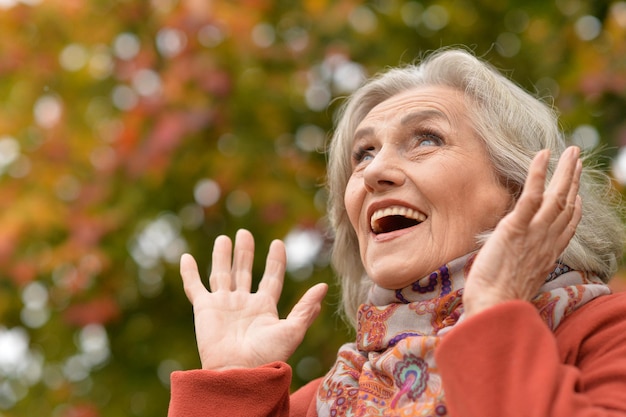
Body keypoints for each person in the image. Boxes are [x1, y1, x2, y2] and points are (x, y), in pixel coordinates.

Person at [167, 48, 626, 417]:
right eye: (363, 153)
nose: (375, 171)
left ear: (518, 189)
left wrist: (494, 314)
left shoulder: (607, 334)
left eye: (427, 138)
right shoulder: (311, 404)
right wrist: (230, 385)